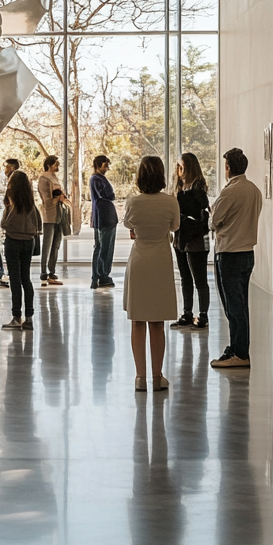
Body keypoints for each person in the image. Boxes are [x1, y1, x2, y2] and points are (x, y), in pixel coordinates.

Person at [123, 155, 180, 392]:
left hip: (139, 261)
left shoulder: (134, 202)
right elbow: (175, 226)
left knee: (138, 320)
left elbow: (128, 224)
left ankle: (140, 377)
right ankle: (157, 377)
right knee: (157, 322)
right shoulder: (170, 202)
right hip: (160, 261)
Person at [209, 147, 263, 369]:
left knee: (233, 306)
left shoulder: (230, 191)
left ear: (228, 167)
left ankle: (239, 353)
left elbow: (214, 220)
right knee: (241, 305)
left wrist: (213, 217)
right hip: (247, 252)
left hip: (229, 252)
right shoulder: (254, 190)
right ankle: (239, 348)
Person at [170, 152, 212, 332]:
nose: (179, 170)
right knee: (185, 277)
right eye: (178, 166)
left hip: (195, 239)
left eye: (182, 166)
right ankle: (187, 312)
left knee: (199, 279)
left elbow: (202, 213)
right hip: (181, 237)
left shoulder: (198, 186)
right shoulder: (178, 186)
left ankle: (203, 315)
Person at [0, 171, 42, 330]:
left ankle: (16, 316)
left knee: (15, 280)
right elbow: (38, 224)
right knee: (26, 279)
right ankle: (29, 317)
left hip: (13, 241)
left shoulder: (13, 202)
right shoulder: (31, 203)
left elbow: (5, 223)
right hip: (28, 242)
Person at [37, 155, 67, 285]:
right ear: (49, 165)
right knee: (47, 244)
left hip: (59, 213)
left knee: (56, 244)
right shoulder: (44, 178)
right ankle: (43, 272)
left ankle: (52, 272)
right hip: (49, 215)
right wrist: (58, 198)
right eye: (56, 164)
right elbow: (47, 201)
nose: (58, 166)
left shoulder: (54, 177)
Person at [89, 155, 118, 289]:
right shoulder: (96, 179)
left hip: (101, 217)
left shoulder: (96, 179)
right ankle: (101, 275)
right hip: (105, 217)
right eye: (105, 165)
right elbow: (108, 195)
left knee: (100, 247)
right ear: (98, 165)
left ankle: (98, 276)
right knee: (105, 248)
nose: (107, 168)